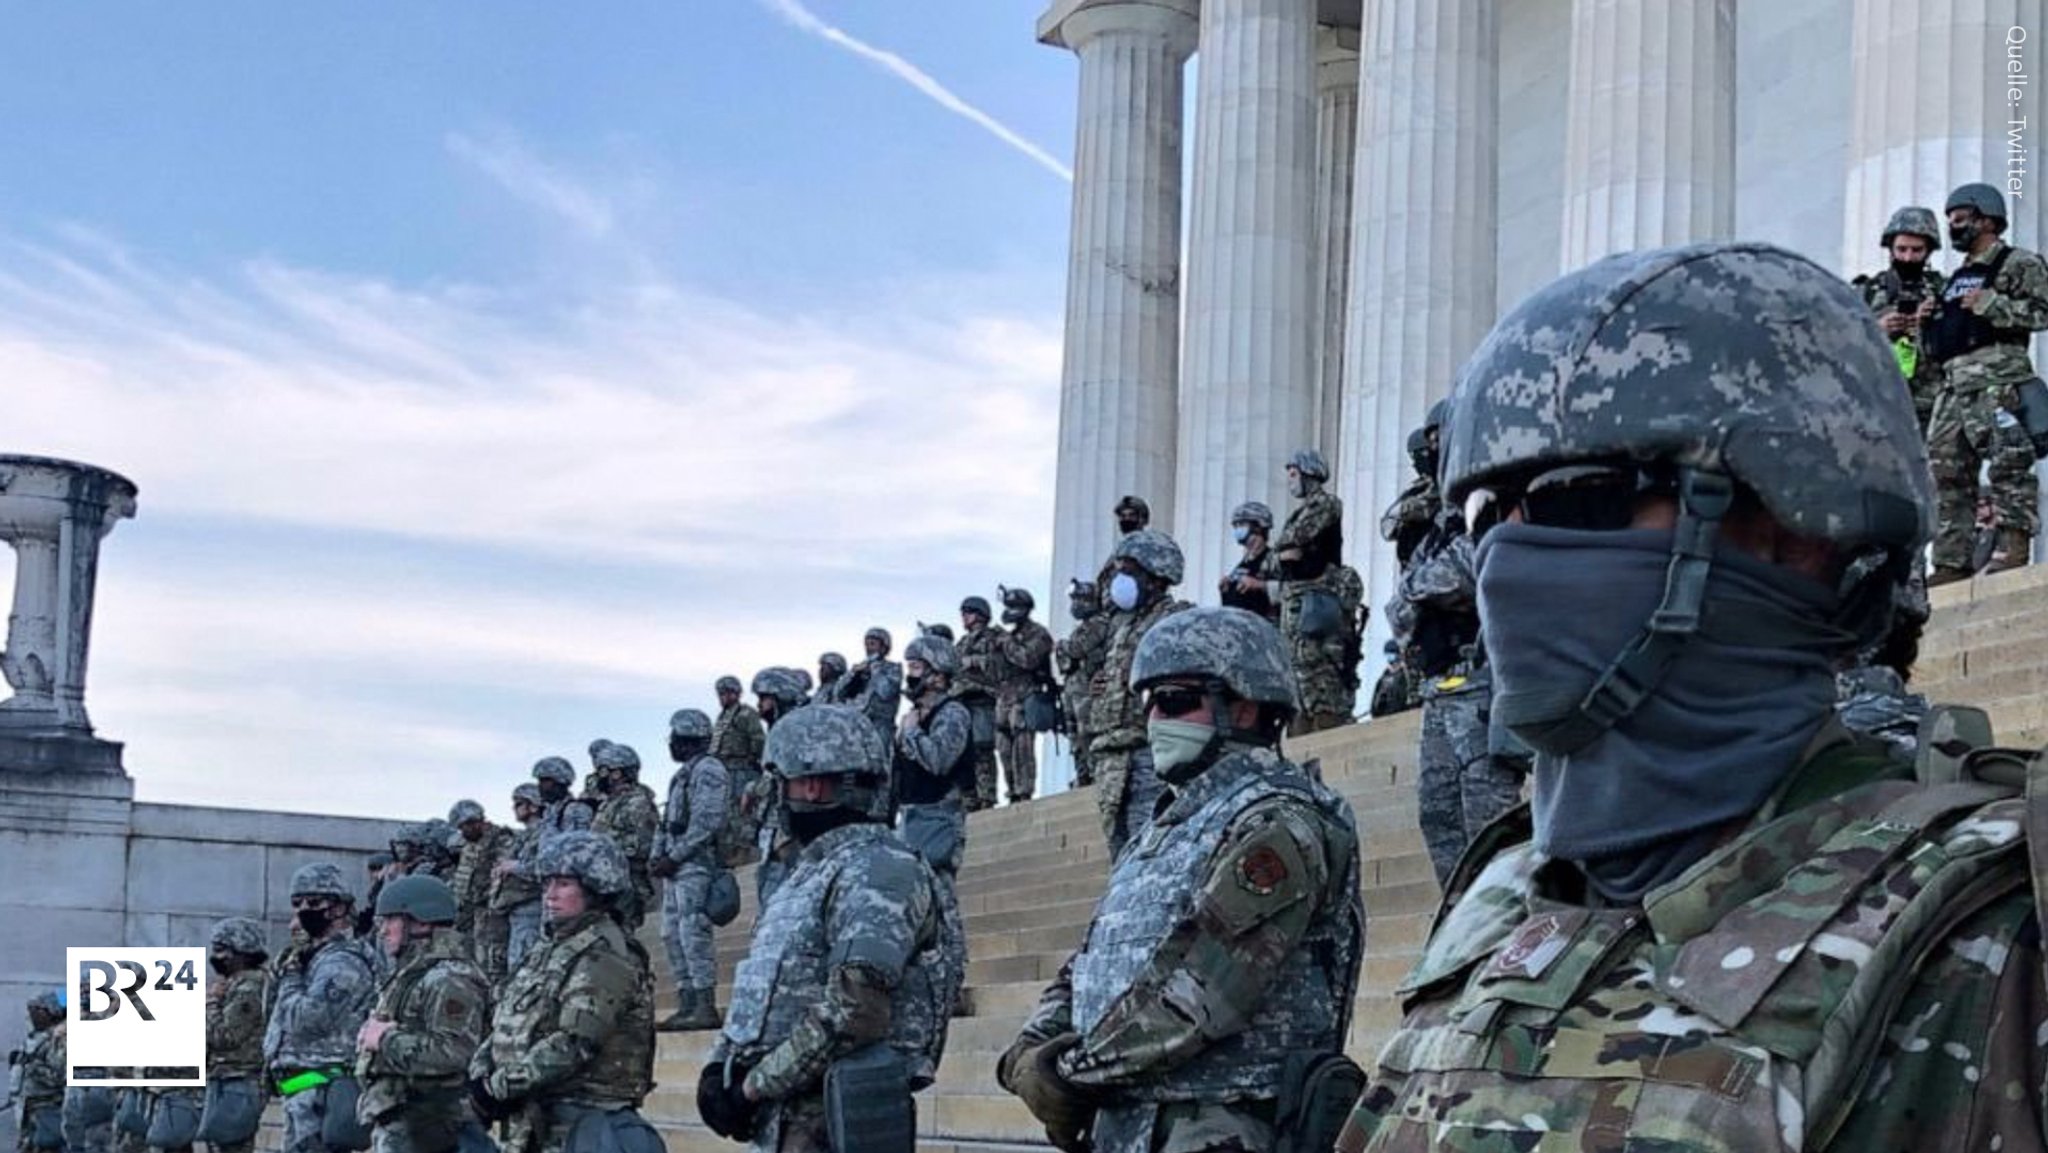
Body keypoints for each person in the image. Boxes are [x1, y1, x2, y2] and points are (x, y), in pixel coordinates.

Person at [1336, 239, 2048, 1151]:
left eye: (1575, 494)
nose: (1505, 558)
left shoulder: (1998, 927)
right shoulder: (1502, 898)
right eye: (1486, 513)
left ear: (1804, 526)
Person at [998, 607, 1364, 1153]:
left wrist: (1069, 1074)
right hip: (1127, 1123)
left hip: (1217, 1125)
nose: (1152, 721)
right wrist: (1031, 1047)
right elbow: (1090, 960)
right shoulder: (1164, 828)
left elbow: (1203, 990)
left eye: (1172, 701)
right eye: (1147, 704)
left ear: (1242, 705)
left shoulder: (1278, 821)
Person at [697, 705, 957, 1153]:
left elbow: (854, 1011)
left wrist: (751, 1088)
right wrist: (721, 1067)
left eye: (779, 783)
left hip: (836, 1122)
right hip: (785, 1120)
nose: (772, 798)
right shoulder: (809, 874)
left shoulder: (879, 869)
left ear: (811, 785)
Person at [467, 833, 657, 1153]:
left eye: (564, 884)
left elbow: (574, 1043)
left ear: (595, 888)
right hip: (534, 1120)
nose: (549, 895)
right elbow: (508, 1019)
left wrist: (495, 1088)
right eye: (546, 884)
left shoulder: (606, 954)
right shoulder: (551, 949)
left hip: (584, 1124)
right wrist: (481, 1073)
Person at [1926, 181, 2048, 583]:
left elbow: (2042, 312)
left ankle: (2013, 548)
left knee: (2009, 463)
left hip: (1998, 381)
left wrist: (1992, 304)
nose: (1953, 228)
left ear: (1987, 219)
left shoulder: (2018, 263)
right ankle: (1950, 562)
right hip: (1953, 387)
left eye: (1960, 220)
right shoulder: (1956, 276)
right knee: (1946, 475)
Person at [1397, 502, 1520, 885]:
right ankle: (1459, 923)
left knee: (1487, 819)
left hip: (1481, 685)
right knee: (1437, 813)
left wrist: (1421, 586)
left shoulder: (1490, 509)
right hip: (1438, 689)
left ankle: (1504, 922)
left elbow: (1471, 568)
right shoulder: (1437, 527)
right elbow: (1401, 600)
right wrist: (1422, 586)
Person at [353, 877, 492, 1153]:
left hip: (430, 1124)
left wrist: (385, 1039)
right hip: (407, 1121)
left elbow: (453, 1052)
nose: (383, 931)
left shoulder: (450, 978)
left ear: (421, 922)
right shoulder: (416, 972)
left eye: (391, 921)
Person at [263, 863, 382, 1153]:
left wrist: (291, 975)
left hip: (324, 1086)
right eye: (297, 904)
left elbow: (306, 1019)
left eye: (314, 902)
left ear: (339, 907)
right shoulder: (312, 958)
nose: (303, 910)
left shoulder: (342, 962)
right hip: (303, 1085)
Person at [1085, 529, 1189, 857]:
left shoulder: (1175, 618)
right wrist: (1103, 685)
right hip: (1112, 756)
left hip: (1149, 752)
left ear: (1156, 576)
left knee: (1149, 850)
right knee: (1121, 853)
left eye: (1129, 571)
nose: (1119, 580)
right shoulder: (1123, 625)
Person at [894, 633, 976, 1016]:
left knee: (942, 905)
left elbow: (940, 759)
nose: (909, 675)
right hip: (911, 818)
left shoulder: (954, 713)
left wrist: (911, 733)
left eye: (916, 668)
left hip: (939, 817)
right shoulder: (912, 717)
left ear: (938, 675)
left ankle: (953, 984)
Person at [1257, 448, 1357, 735]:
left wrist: (1286, 553)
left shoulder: (1325, 504)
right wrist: (1283, 555)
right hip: (1297, 605)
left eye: (1293, 474)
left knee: (1321, 677)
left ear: (1309, 473)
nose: (1290, 481)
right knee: (1297, 678)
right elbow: (1273, 561)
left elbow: (1294, 538)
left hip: (1318, 603)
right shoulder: (1299, 512)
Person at [651, 708, 731, 1032]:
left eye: (675, 737)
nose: (670, 742)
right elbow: (668, 821)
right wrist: (658, 855)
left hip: (696, 865)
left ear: (687, 738)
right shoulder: (682, 775)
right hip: (676, 866)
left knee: (692, 932)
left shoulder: (709, 770)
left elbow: (707, 821)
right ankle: (686, 1002)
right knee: (671, 934)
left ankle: (704, 1003)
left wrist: (677, 854)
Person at [1854, 205, 1947, 432]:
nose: (1908, 257)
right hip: (1879, 402)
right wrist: (1876, 329)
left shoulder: (1943, 290)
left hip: (1933, 407)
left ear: (1928, 251)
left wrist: (1932, 322)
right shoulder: (1866, 291)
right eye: (1901, 249)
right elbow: (1839, 341)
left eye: (1917, 250)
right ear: (1890, 249)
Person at [201, 919, 271, 1153]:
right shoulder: (234, 984)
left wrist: (210, 1002)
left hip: (239, 1080)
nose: (216, 957)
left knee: (231, 1144)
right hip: (226, 1079)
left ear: (241, 952)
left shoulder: (248, 988)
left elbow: (225, 1036)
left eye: (222, 950)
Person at [750, 667, 812, 906]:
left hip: (792, 830)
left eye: (764, 699)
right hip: (774, 827)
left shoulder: (798, 728)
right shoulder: (779, 729)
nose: (759, 706)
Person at [993, 587, 1056, 804]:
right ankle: (1012, 791)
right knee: (1003, 747)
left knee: (1023, 746)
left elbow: (1027, 659)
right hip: (1005, 699)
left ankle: (1024, 791)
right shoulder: (1008, 636)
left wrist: (1007, 643)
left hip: (1027, 696)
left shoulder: (1039, 634)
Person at [588, 744, 660, 931]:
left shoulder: (637, 802)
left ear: (618, 773)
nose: (598, 776)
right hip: (607, 880)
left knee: (624, 937)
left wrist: (602, 845)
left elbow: (642, 845)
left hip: (629, 883)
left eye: (603, 771)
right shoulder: (609, 803)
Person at [487, 783, 547, 978]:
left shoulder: (545, 833)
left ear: (534, 806)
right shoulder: (525, 835)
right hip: (514, 909)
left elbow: (547, 867)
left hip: (531, 909)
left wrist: (513, 867)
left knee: (523, 969)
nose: (515, 808)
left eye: (519, 803)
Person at [448, 801, 515, 975]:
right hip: (471, 914)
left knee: (490, 964)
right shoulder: (470, 845)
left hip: (491, 914)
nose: (462, 832)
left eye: (464, 827)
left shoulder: (501, 841)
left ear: (475, 822)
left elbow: (500, 878)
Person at [953, 595, 1004, 811]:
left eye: (969, 612)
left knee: (983, 750)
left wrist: (974, 662)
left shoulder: (993, 637)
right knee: (965, 753)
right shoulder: (962, 642)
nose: (964, 617)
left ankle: (987, 796)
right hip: (963, 701)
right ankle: (969, 796)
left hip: (983, 698)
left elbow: (999, 664)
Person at [711, 676, 769, 869]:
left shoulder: (745, 714)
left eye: (728, 693)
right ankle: (734, 850)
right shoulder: (722, 718)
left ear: (736, 693)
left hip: (742, 769)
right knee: (728, 813)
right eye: (721, 694)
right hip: (725, 770)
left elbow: (758, 739)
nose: (724, 697)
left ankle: (746, 850)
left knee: (743, 811)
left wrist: (752, 759)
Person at [13, 992, 65, 1153]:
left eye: (39, 1011)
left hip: (48, 1108)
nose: (33, 1016)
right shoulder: (34, 1039)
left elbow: (60, 1076)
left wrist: (34, 1067)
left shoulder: (57, 1041)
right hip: (29, 1107)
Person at [838, 628, 903, 748]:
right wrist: (852, 674)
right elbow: (839, 693)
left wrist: (875, 670)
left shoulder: (892, 669)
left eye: (873, 644)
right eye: (866, 644)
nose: (868, 648)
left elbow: (886, 692)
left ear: (884, 648)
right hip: (855, 725)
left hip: (879, 727)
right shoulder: (859, 668)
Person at [1218, 501, 1279, 623]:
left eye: (1241, 524)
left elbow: (1289, 590)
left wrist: (1260, 585)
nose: (1237, 529)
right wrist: (1226, 590)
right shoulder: (1244, 562)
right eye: (1235, 526)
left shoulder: (1274, 559)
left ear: (1258, 526)